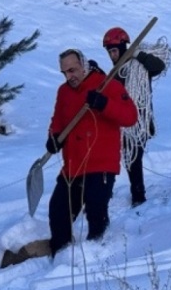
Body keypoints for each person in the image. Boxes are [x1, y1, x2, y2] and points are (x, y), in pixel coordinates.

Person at [46, 49, 138, 256]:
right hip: (72, 166)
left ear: (84, 65)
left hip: (100, 164)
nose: (70, 76)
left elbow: (130, 117)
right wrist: (54, 137)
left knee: (96, 211)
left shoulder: (108, 85)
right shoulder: (64, 92)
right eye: (65, 72)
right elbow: (58, 121)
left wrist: (104, 104)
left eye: (73, 70)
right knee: (58, 211)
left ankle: (97, 253)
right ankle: (61, 256)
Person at [102, 27, 166, 207]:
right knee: (111, 158)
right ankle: (105, 194)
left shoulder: (140, 67)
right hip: (120, 123)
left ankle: (138, 197)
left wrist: (138, 54)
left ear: (124, 48)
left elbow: (159, 66)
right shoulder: (115, 74)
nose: (112, 56)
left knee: (133, 159)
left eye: (114, 51)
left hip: (140, 122)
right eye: (109, 52)